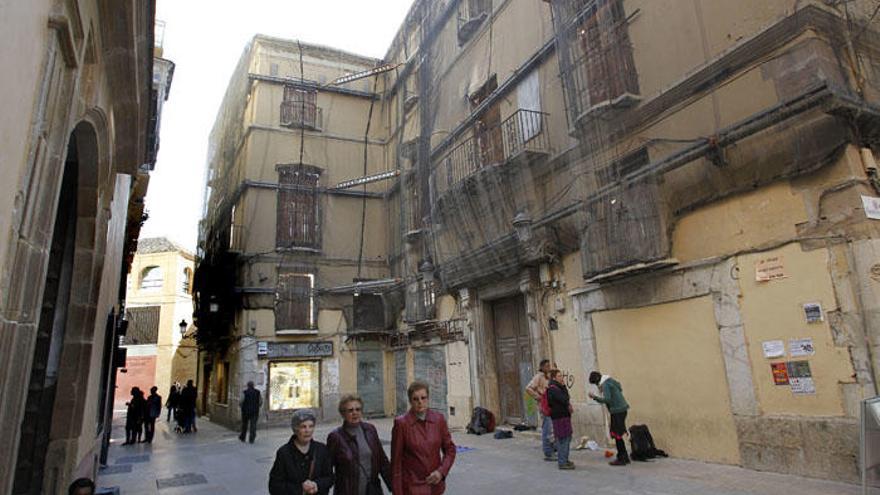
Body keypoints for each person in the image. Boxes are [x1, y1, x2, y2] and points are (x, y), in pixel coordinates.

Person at [391, 381, 456, 495]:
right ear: (410, 401)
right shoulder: (401, 424)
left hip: (435, 486)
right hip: (412, 487)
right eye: (415, 399)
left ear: (428, 398)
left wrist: (441, 472)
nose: (420, 402)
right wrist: (397, 491)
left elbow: (450, 449)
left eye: (423, 398)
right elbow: (396, 462)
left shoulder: (438, 420)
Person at [327, 394, 392, 495]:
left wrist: (393, 486)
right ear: (343, 414)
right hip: (347, 490)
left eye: (358, 409)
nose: (355, 413)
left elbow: (382, 461)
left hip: (372, 490)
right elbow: (327, 468)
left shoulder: (370, 430)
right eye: (350, 410)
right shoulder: (335, 437)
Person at [269, 409, 333, 495]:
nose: (307, 430)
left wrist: (316, 485)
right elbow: (275, 486)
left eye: (311, 426)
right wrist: (300, 489)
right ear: (296, 429)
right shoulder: (284, 453)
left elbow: (329, 477)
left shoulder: (321, 450)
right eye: (303, 426)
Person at [589, 370, 630, 466]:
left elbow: (607, 399)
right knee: (618, 433)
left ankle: (622, 457)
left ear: (597, 381)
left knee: (617, 435)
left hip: (617, 411)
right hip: (622, 409)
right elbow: (619, 387)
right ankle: (623, 456)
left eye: (595, 384)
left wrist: (594, 397)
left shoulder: (605, 385)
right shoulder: (610, 380)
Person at [525, 358, 556, 461]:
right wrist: (538, 397)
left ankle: (552, 448)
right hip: (544, 406)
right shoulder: (538, 377)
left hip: (551, 406)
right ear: (542, 367)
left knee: (552, 428)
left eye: (549, 365)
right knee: (547, 428)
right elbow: (528, 388)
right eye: (546, 366)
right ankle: (548, 452)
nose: (548, 367)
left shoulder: (549, 377)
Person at [547, 369, 574, 470]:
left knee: (565, 437)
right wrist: (563, 386)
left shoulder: (555, 388)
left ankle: (564, 459)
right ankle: (562, 461)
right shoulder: (554, 388)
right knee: (564, 438)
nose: (561, 377)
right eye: (559, 376)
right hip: (560, 417)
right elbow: (565, 399)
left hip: (561, 416)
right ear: (554, 378)